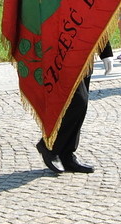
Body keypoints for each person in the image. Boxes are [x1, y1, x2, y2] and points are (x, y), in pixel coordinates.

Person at [35, 41, 112, 174]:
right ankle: (49, 145)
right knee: (78, 102)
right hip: (60, 52)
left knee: (82, 106)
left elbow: (96, 21)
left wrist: (105, 51)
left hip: (85, 53)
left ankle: (67, 155)